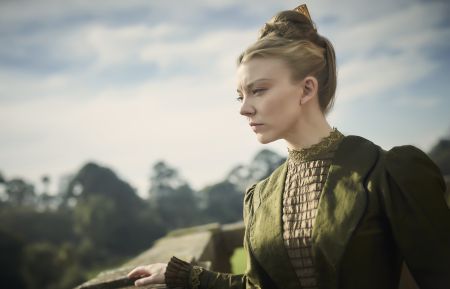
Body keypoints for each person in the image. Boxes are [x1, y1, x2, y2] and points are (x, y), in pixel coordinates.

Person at [127, 4, 450, 289]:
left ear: (306, 89)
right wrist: (186, 277)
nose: (244, 108)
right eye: (241, 96)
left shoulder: (388, 172)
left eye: (259, 90)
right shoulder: (260, 197)